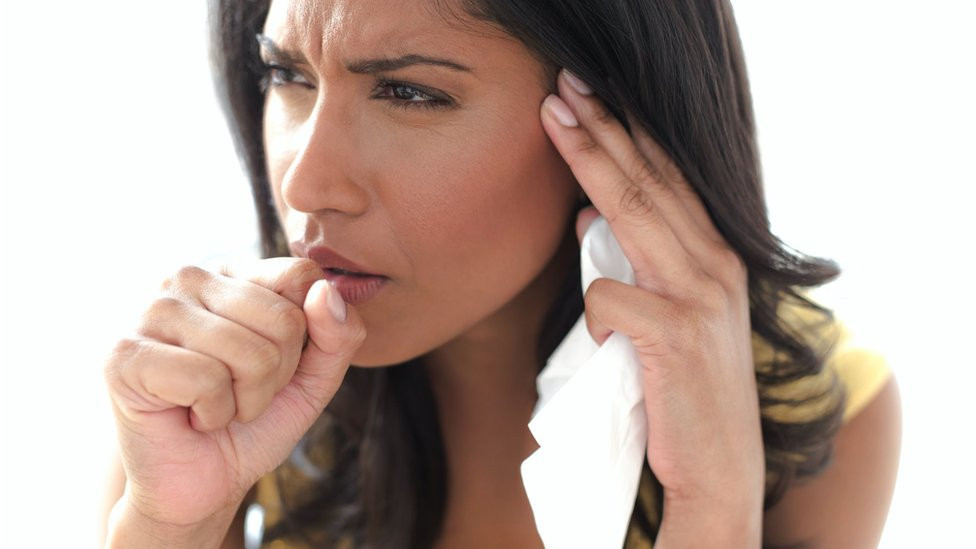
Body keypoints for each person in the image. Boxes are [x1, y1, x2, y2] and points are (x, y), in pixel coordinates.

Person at [101, 0, 901, 547]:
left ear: (615, 123)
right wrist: (170, 524)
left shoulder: (817, 410)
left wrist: (715, 510)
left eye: (408, 92)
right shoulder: (216, 383)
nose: (306, 186)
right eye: (287, 75)